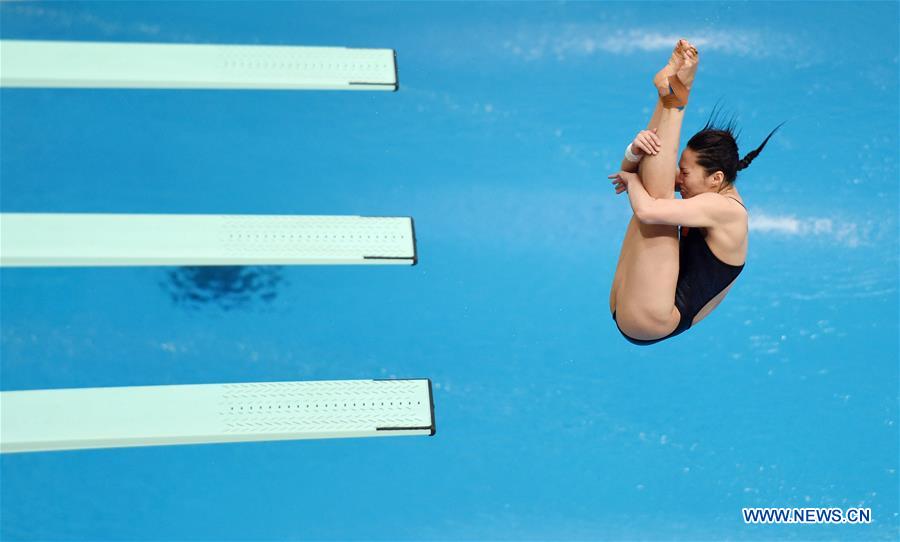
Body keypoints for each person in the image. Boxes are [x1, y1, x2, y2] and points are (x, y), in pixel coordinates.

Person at [607, 39, 783, 346]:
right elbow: (634, 171)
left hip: (654, 318)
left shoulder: (724, 210)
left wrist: (632, 181)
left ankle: (674, 103)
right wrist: (634, 152)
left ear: (716, 178)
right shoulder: (706, 190)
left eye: (685, 172)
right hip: (634, 304)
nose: (680, 178)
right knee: (655, 187)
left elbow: (646, 207)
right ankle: (668, 98)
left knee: (656, 199)